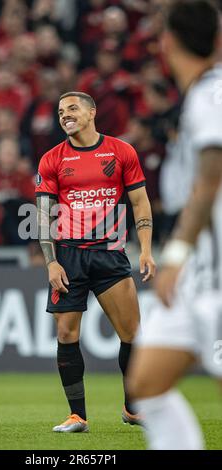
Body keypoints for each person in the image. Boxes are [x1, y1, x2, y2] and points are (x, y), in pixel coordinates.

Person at [128, 0, 222, 450]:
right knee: (146, 385)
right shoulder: (201, 95)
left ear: (167, 43)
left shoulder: (212, 95)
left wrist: (175, 254)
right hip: (195, 279)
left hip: (213, 276)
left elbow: (209, 182)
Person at [35, 91, 156, 432]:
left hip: (110, 252)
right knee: (65, 333)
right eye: (60, 111)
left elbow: (140, 203)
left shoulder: (121, 151)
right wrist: (51, 262)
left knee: (132, 333)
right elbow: (43, 216)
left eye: (72, 108)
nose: (65, 115)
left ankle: (133, 408)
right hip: (68, 256)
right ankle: (78, 416)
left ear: (91, 113)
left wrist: (145, 249)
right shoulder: (52, 159)